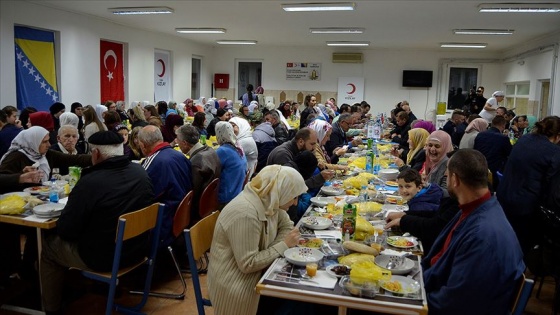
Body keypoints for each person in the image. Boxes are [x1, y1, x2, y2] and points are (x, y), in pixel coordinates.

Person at [40, 131, 154, 314]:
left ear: (96, 154)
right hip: (138, 250)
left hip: (104, 258)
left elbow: (66, 230)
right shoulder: (140, 172)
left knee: (48, 248)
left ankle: (51, 309)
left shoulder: (90, 182)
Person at [422, 149, 525, 315]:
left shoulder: (482, 237)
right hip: (436, 289)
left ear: (455, 179)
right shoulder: (478, 207)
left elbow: (454, 303)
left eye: (447, 175)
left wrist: (415, 300)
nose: (447, 178)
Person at [208, 165, 307, 315]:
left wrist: (274, 248)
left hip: (256, 273)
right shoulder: (246, 213)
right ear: (281, 190)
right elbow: (248, 264)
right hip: (236, 285)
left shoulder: (270, 199)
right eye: (294, 197)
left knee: (301, 297)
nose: (295, 203)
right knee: (300, 302)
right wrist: (283, 245)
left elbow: (287, 226)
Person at [497, 116, 560, 255]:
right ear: (558, 136)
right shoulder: (554, 153)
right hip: (526, 208)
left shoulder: (525, 139)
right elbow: (552, 190)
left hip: (504, 198)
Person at [138, 125, 192, 246]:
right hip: (181, 216)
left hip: (165, 222)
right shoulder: (180, 156)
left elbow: (143, 195)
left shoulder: (154, 162)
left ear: (143, 145)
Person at [0, 126, 91, 186]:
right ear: (33, 142)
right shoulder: (16, 156)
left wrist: (97, 157)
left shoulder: (46, 154)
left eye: (48, 141)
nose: (49, 145)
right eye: (44, 142)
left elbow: (74, 159)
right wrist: (20, 177)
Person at [175, 125, 221, 222]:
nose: (176, 142)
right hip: (210, 203)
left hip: (197, 209)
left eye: (177, 140)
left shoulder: (196, 162)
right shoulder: (210, 150)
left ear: (185, 143)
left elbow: (191, 193)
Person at [267, 128, 334, 190]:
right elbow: (292, 187)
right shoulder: (283, 154)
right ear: (301, 142)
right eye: (312, 144)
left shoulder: (299, 150)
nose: (314, 148)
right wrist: (320, 178)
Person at [473, 115, 512, 189]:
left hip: (480, 167)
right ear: (503, 126)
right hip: (495, 170)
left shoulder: (480, 135)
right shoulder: (503, 138)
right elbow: (510, 153)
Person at [215, 121, 247, 206]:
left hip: (227, 197)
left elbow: (213, 170)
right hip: (238, 191)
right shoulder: (238, 147)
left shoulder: (223, 151)